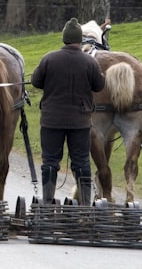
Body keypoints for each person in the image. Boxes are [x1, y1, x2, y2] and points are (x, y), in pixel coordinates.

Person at [30, 18, 106, 206]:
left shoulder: (49, 58)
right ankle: (85, 207)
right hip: (80, 122)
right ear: (80, 40)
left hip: (51, 121)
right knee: (81, 162)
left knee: (50, 161)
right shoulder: (90, 62)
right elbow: (99, 85)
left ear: (64, 39)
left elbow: (35, 81)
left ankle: (48, 203)